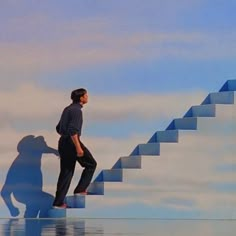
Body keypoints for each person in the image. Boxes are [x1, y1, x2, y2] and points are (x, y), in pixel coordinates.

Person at [52, 88, 97, 208]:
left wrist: (65, 139)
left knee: (66, 172)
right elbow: (73, 130)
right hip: (72, 141)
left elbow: (58, 128)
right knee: (91, 164)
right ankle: (80, 189)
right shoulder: (77, 111)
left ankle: (58, 203)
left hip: (63, 141)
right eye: (86, 95)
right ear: (81, 98)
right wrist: (78, 147)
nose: (87, 97)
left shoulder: (67, 109)